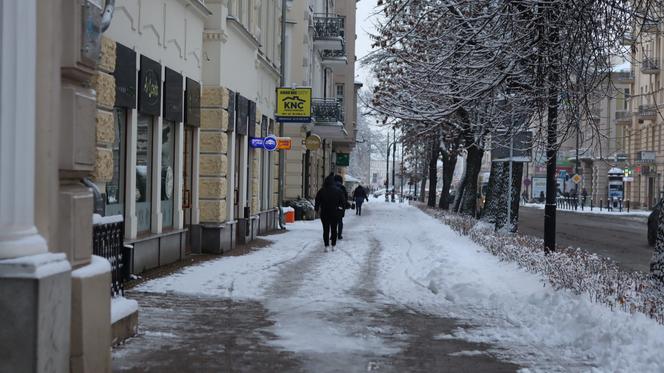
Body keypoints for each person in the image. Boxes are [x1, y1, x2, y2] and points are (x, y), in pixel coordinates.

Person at [315, 175, 345, 252]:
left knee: (326, 230)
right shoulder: (338, 191)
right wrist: (340, 208)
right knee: (334, 229)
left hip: (324, 213)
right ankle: (333, 245)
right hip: (335, 213)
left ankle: (326, 246)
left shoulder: (321, 191)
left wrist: (317, 210)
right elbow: (342, 202)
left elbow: (317, 201)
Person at [334, 174, 349, 239]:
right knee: (340, 221)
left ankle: (333, 235)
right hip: (340, 207)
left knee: (333, 221)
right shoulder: (343, 188)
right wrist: (345, 205)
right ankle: (339, 235)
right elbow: (346, 198)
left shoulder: (331, 187)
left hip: (332, 206)